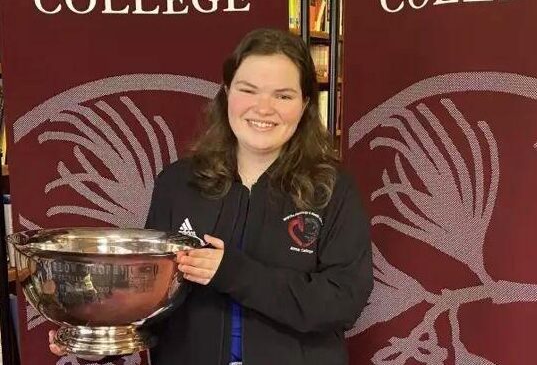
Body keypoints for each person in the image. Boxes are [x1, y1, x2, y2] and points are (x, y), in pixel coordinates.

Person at [50, 28, 373, 365]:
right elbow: (149, 293)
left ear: (305, 104)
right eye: (248, 90)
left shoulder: (333, 190)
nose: (264, 108)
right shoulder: (177, 183)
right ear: (227, 92)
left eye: (283, 96)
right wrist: (95, 336)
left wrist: (234, 272)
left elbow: (342, 302)